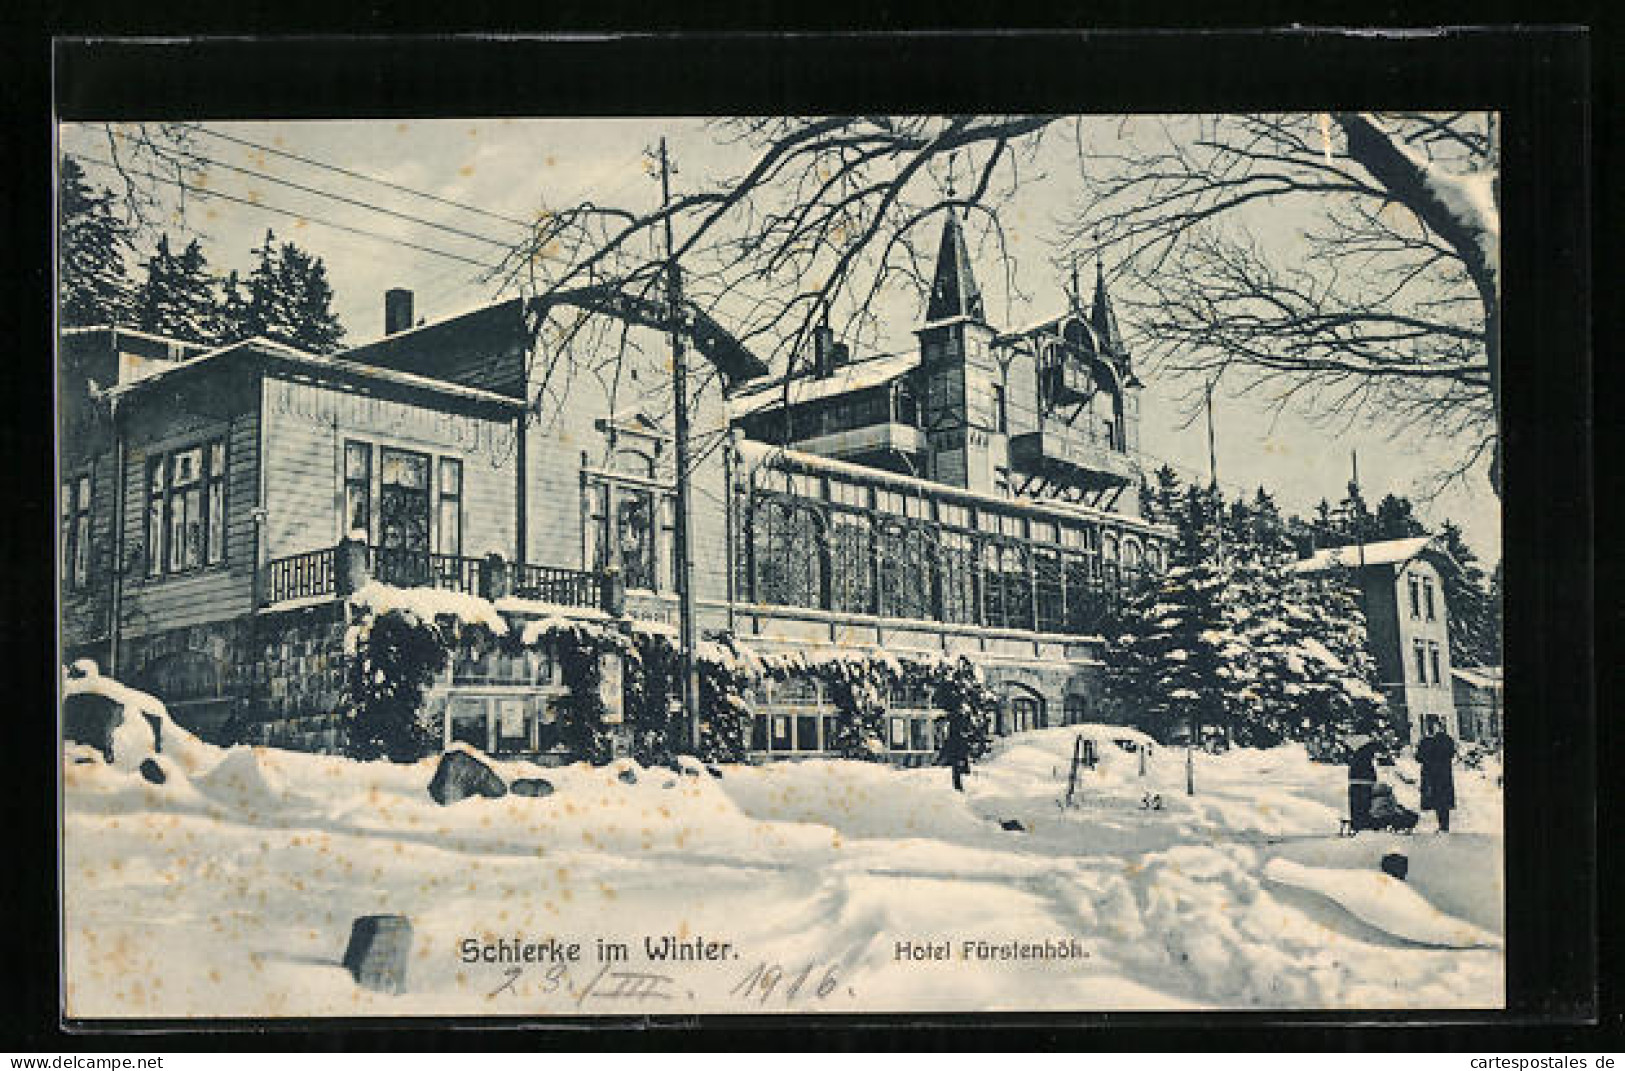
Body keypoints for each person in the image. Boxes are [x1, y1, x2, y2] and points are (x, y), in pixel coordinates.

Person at [1416, 716, 1458, 832]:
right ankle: (1443, 825)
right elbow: (1419, 757)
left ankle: (1443, 825)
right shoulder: (1444, 739)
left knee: (1439, 799)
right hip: (1440, 774)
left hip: (1435, 774)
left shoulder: (1429, 741)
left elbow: (1419, 757)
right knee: (1440, 800)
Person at [1346, 733, 1381, 832]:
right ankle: (1364, 824)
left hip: (1355, 781)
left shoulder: (1356, 755)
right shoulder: (1367, 751)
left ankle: (1357, 824)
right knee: (1365, 804)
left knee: (1356, 805)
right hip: (1366, 781)